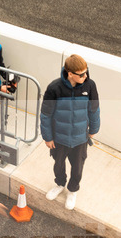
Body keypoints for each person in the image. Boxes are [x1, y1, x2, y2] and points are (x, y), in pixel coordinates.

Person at [40, 54, 100, 211]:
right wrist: (48, 137)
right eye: (81, 74)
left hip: (80, 138)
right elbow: (46, 114)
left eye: (86, 72)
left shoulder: (90, 86)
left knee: (78, 167)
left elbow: (94, 109)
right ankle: (60, 184)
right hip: (59, 138)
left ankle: (72, 190)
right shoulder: (54, 88)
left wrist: (94, 129)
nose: (85, 76)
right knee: (58, 165)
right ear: (70, 73)